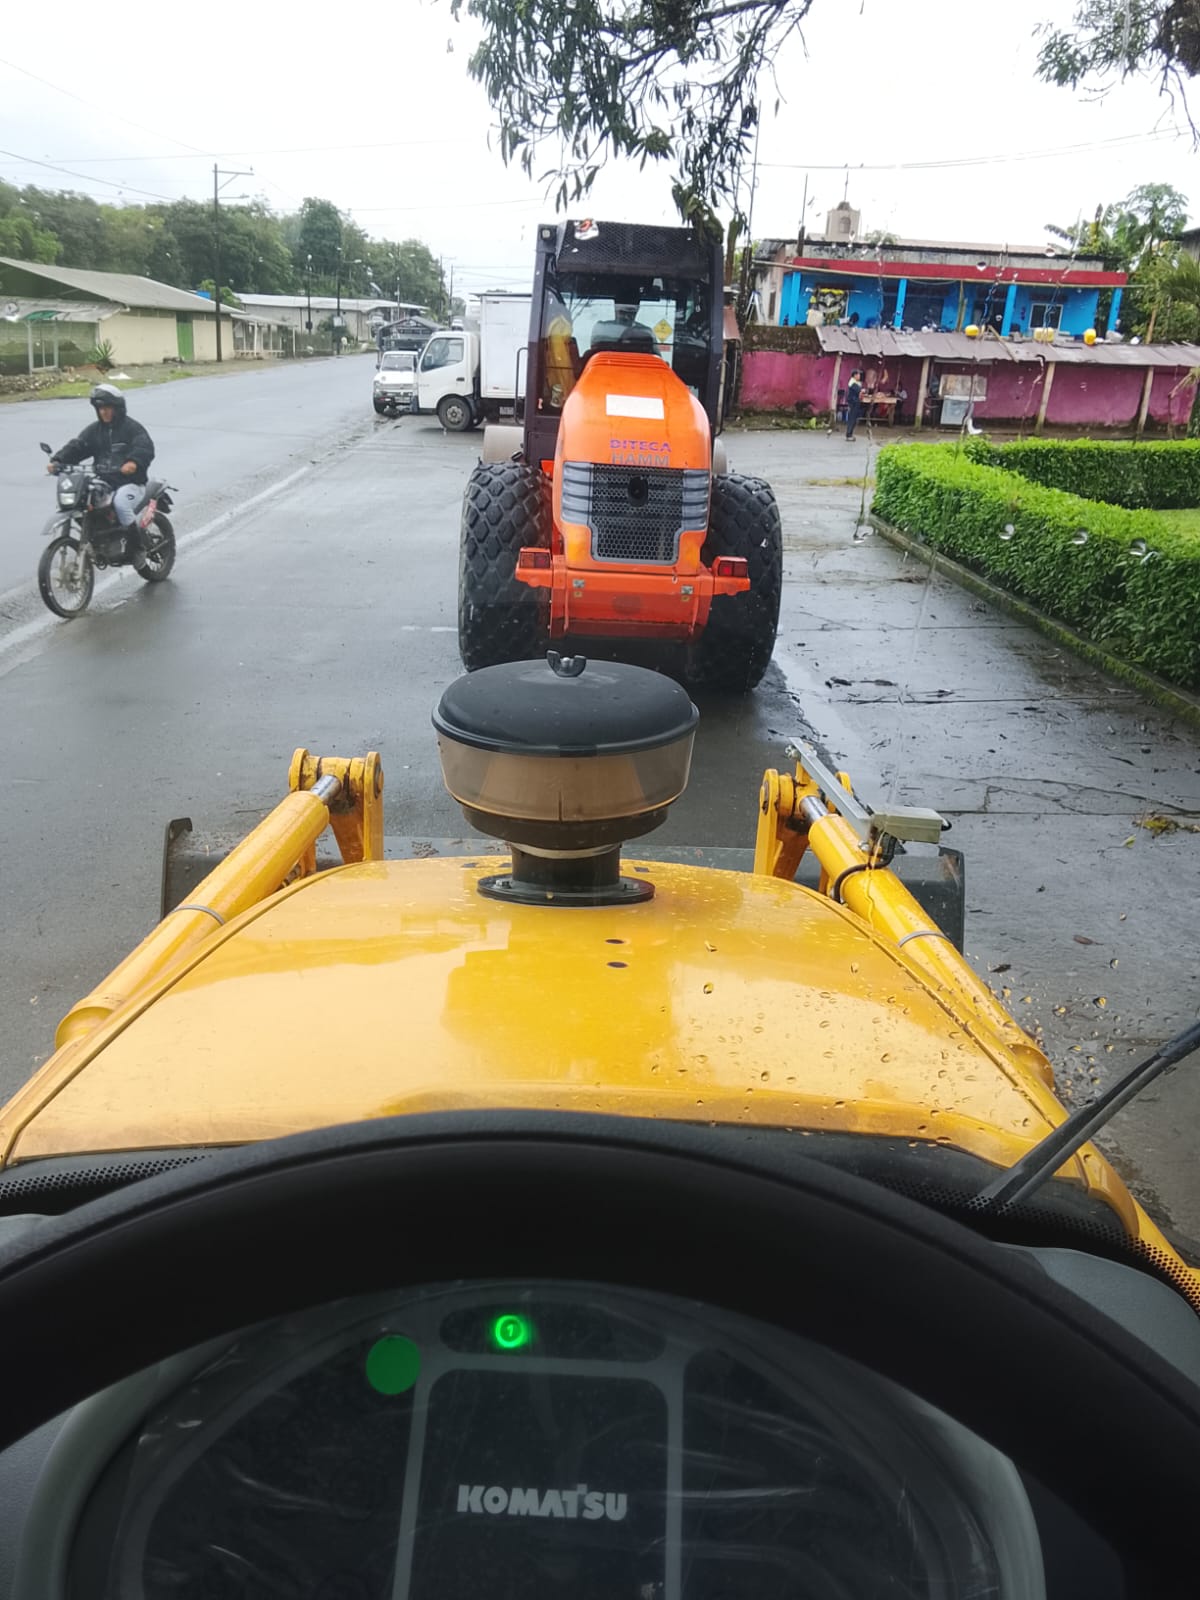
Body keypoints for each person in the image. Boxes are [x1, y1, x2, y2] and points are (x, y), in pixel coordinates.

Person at [48, 385, 156, 559]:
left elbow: (144, 448)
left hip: (131, 483)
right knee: (82, 501)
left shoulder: (132, 428)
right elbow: (78, 446)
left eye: (108, 408)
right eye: (101, 408)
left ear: (118, 408)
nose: (104, 412)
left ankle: (138, 548)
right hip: (105, 481)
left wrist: (133, 463)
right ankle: (98, 539)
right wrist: (58, 461)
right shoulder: (94, 430)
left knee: (121, 504)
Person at [845, 368, 864, 440]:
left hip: (855, 402)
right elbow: (860, 390)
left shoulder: (856, 382)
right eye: (858, 374)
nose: (859, 376)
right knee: (852, 418)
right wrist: (863, 390)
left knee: (853, 418)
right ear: (855, 375)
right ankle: (848, 435)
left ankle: (850, 434)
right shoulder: (853, 383)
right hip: (853, 402)